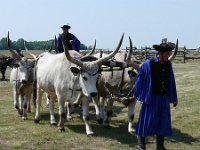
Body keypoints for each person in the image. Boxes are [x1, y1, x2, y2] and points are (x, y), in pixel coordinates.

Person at [134, 39, 178, 150]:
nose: (169, 56)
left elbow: (171, 81)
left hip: (163, 98)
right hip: (151, 98)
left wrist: (174, 98)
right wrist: (139, 95)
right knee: (146, 121)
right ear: (160, 53)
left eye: (169, 53)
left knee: (163, 121)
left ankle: (160, 145)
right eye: (167, 53)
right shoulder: (148, 64)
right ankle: (141, 144)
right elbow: (140, 80)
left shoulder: (168, 64)